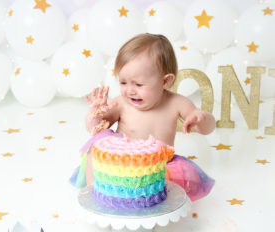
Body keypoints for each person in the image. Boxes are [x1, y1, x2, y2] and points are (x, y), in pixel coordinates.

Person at [70, 33, 215, 201]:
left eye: (138, 84)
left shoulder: (176, 103)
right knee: (94, 148)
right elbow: (96, 130)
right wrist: (95, 114)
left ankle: (154, 207)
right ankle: (96, 194)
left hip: (157, 168)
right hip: (121, 164)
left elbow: (208, 128)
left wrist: (200, 118)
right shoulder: (121, 103)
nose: (130, 90)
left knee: (168, 180)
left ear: (165, 81)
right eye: (123, 82)